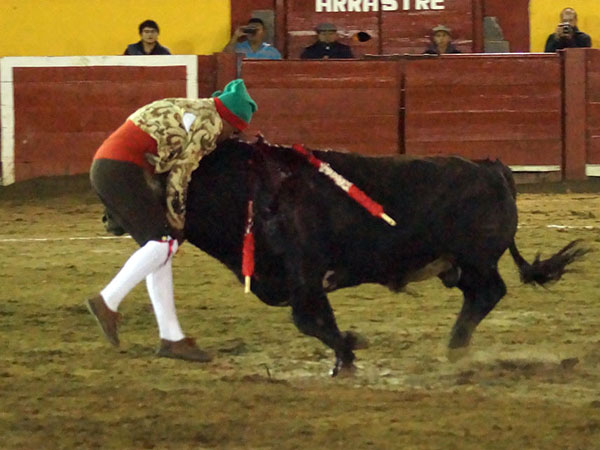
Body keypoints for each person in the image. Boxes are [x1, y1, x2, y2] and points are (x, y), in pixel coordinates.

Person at [86, 79, 257, 362]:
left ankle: (172, 338)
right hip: (122, 168)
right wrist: (177, 222)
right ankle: (108, 300)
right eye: (235, 130)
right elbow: (180, 176)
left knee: (160, 249)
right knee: (164, 242)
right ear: (230, 121)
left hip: (112, 166)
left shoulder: (196, 110)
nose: (231, 136)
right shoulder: (209, 125)